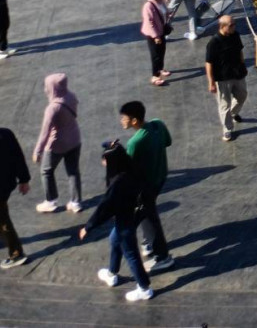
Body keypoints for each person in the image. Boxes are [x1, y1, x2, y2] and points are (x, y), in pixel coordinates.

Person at [78, 145, 153, 301]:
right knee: (114, 239)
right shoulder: (132, 170)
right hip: (134, 215)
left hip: (125, 221)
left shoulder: (118, 182)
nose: (103, 163)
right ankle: (112, 273)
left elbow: (105, 207)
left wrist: (88, 227)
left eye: (105, 160)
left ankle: (144, 288)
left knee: (131, 254)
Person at [120, 101, 173, 272]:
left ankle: (162, 256)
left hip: (145, 185)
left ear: (134, 121)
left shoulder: (135, 142)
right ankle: (148, 243)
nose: (122, 121)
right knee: (146, 213)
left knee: (149, 216)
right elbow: (168, 142)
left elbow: (127, 168)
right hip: (160, 176)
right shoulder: (158, 124)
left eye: (124, 118)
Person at [0, 107, 31, 269]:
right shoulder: (6, 134)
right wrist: (24, 180)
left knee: (2, 219)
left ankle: (16, 253)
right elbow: (18, 157)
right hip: (7, 184)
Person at [31, 73, 83, 213]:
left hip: (57, 144)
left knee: (46, 171)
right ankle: (76, 202)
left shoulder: (52, 108)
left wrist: (38, 150)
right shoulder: (71, 96)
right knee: (73, 171)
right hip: (75, 139)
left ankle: (51, 200)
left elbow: (45, 132)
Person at [205, 15, 248, 141]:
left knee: (242, 96)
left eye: (234, 24)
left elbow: (240, 50)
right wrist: (211, 82)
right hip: (223, 78)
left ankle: (233, 113)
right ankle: (227, 129)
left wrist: (242, 64)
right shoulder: (214, 42)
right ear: (223, 27)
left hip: (237, 74)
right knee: (224, 104)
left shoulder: (235, 35)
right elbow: (209, 63)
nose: (234, 27)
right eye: (231, 25)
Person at [141, 0, 171, 87]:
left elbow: (165, 11)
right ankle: (155, 76)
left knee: (162, 51)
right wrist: (156, 36)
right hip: (153, 35)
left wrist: (168, 13)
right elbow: (150, 23)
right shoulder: (148, 6)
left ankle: (160, 69)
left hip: (161, 31)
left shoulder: (161, 1)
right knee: (155, 55)